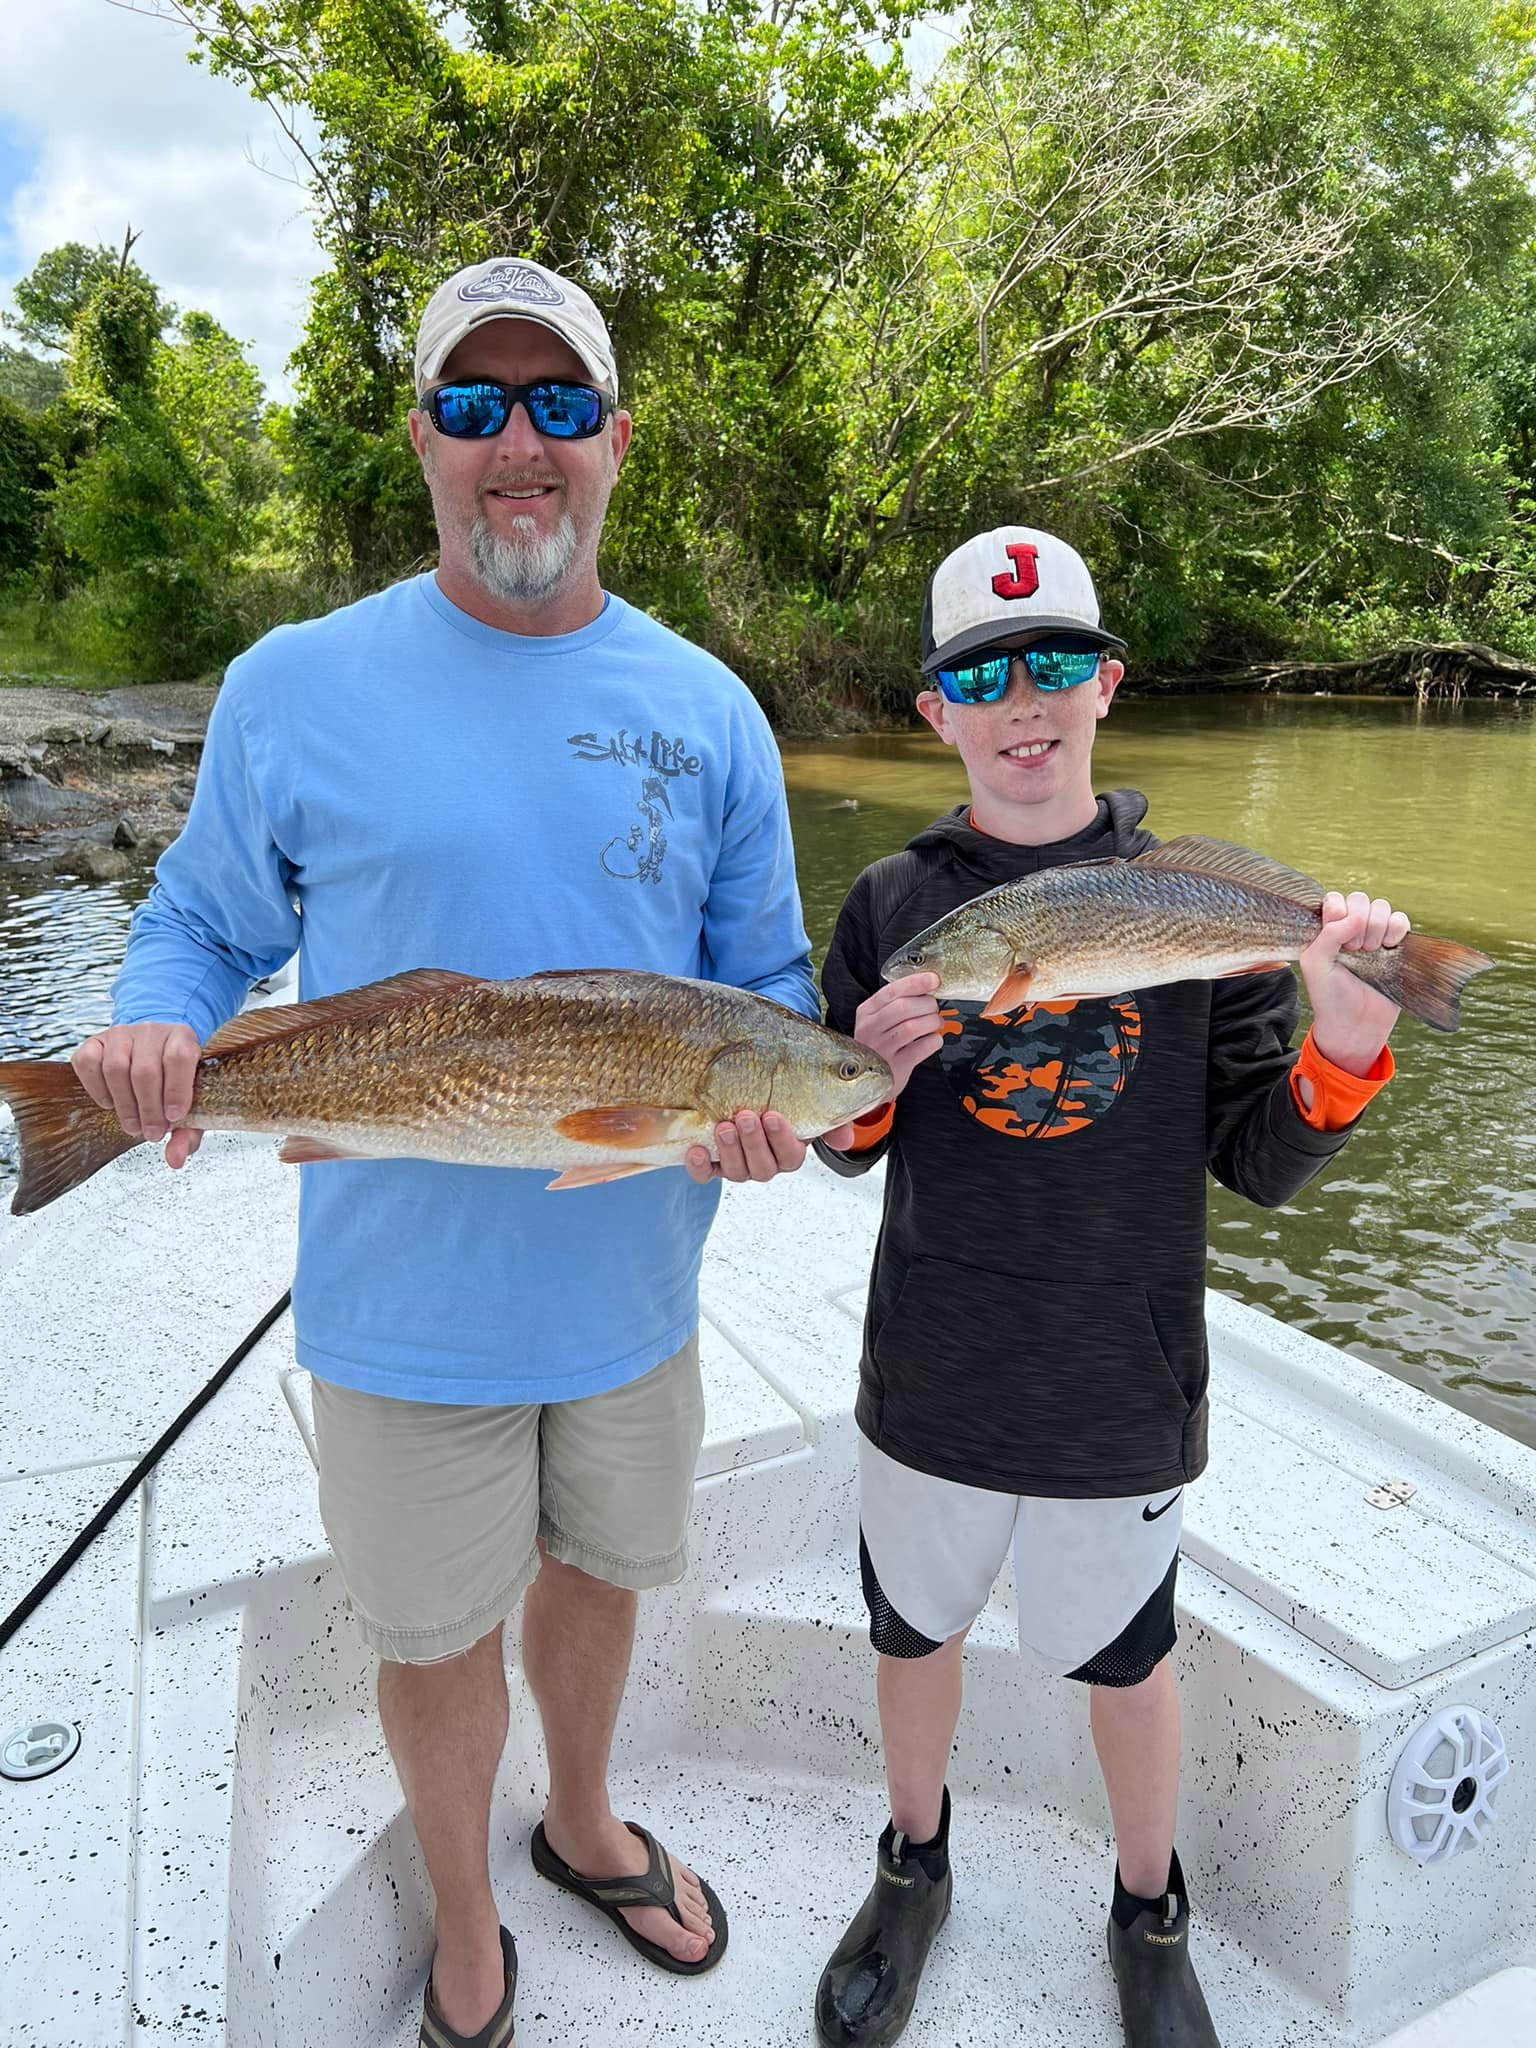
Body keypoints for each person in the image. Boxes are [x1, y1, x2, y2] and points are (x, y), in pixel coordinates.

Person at [69, 255, 849, 2048]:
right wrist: (154, 1027)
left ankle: (583, 1821)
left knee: (602, 1574)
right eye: (479, 404)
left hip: (636, 1298)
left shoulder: (712, 709)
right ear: (421, 435)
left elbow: (768, 986)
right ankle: (469, 1921)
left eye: (559, 404)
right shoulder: (292, 683)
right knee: (429, 1636)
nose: (521, 443)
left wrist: (773, 1115)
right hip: (399, 1312)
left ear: (615, 442)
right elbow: (198, 924)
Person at [812, 526, 1406, 2048]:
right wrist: (865, 1080)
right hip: (935, 1367)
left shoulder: (1204, 901)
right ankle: (913, 1864)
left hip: (1122, 1382)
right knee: (910, 1635)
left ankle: (1150, 1909)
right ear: (936, 711)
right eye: (983, 675)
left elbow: (1259, 1162)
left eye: (1055, 663)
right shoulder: (889, 903)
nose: (1024, 699)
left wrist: (1343, 1046)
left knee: (1131, 1663)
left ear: (1107, 686)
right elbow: (842, 1144)